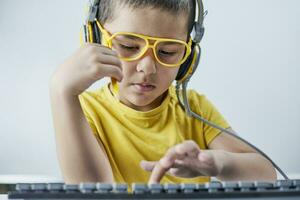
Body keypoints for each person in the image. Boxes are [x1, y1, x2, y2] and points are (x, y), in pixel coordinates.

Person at [49, 0, 276, 185]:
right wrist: (61, 92)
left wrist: (216, 163)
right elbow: (94, 189)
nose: (147, 68)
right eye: (128, 46)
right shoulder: (84, 110)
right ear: (94, 39)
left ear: (189, 58)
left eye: (167, 52)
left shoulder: (194, 109)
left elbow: (266, 173)